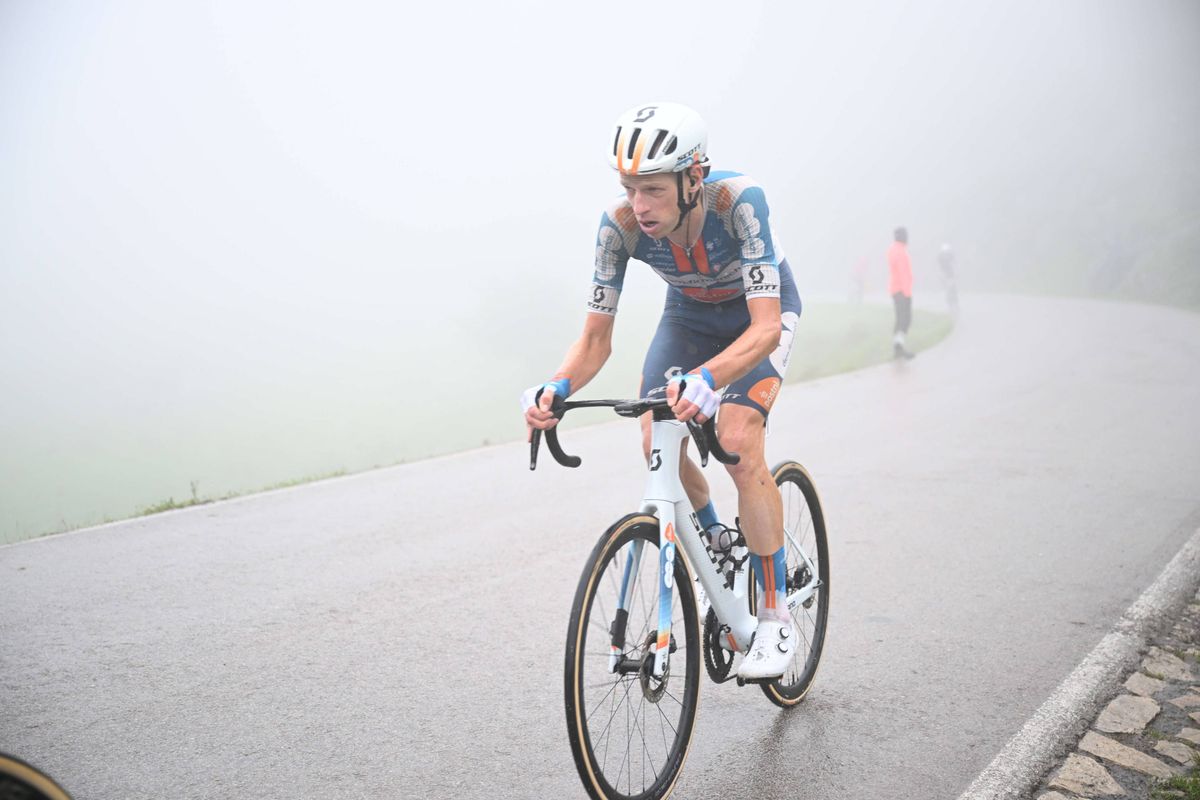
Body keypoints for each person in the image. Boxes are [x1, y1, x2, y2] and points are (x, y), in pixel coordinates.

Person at [521, 102, 802, 680]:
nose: (638, 205)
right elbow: (595, 340)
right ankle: (715, 534)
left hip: (757, 318)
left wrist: (707, 380)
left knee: (737, 438)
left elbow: (767, 326)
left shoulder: (739, 203)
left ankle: (774, 616)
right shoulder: (619, 226)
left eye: (651, 189)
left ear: (693, 178)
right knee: (655, 432)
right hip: (690, 318)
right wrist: (556, 386)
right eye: (629, 188)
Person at [888, 226, 915, 359]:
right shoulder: (901, 252)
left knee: (900, 319)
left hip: (896, 289)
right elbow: (904, 273)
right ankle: (898, 348)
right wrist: (907, 293)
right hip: (902, 290)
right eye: (905, 235)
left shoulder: (893, 250)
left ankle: (898, 347)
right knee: (905, 320)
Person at [938, 242, 959, 315]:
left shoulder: (951, 256)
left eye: (947, 253)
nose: (945, 255)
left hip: (951, 275)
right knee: (947, 290)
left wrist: (955, 275)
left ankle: (955, 305)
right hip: (945, 276)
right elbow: (940, 268)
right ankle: (950, 306)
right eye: (944, 253)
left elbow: (955, 265)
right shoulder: (940, 257)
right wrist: (941, 276)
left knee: (953, 289)